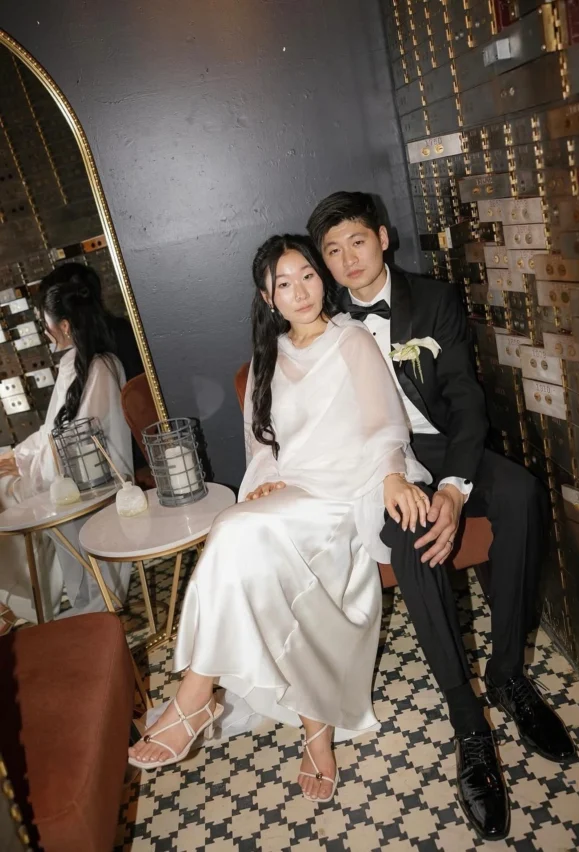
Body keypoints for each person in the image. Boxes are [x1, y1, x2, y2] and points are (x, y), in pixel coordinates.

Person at [307, 192, 575, 839]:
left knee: (518, 493)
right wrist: (396, 479)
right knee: (410, 537)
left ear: (384, 237)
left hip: (447, 446)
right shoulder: (326, 320)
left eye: (357, 243)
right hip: (384, 464)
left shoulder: (434, 300)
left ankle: (508, 675)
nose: (346, 260)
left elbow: (464, 397)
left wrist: (454, 488)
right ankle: (468, 725)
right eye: (332, 251)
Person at [128, 234, 430, 803]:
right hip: (292, 492)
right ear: (268, 298)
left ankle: (194, 699)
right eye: (283, 284)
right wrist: (261, 481)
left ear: (323, 278)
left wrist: (392, 472)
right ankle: (313, 731)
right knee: (240, 529)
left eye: (307, 276)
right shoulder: (267, 359)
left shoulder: (353, 340)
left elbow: (384, 424)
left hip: (345, 493)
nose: (300, 291)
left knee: (241, 532)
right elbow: (261, 443)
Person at [0, 270, 134, 628]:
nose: (44, 332)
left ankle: (25, 603)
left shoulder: (100, 367)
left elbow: (76, 443)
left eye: (46, 324)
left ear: (63, 326)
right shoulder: (75, 365)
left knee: (3, 493)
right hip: (67, 473)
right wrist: (17, 456)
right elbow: (52, 431)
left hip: (91, 483)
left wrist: (25, 467)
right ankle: (27, 601)